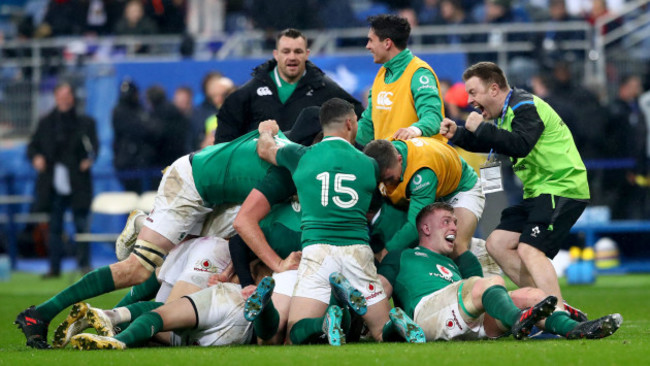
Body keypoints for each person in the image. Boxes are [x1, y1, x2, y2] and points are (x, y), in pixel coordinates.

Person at [14, 126, 288, 349]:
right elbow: (245, 220)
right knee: (139, 272)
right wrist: (276, 266)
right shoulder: (293, 161)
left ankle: (112, 310)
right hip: (193, 187)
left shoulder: (289, 152)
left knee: (174, 294)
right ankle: (40, 314)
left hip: (212, 196)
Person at [256, 98, 424, 346]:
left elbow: (265, 149)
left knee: (294, 335)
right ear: (349, 123)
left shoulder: (300, 155)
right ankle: (392, 324)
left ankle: (323, 323)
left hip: (317, 250)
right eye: (356, 121)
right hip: (357, 250)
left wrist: (267, 131)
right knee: (380, 332)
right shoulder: (369, 164)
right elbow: (386, 188)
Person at [439, 61, 590, 318]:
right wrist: (459, 134)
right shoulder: (507, 113)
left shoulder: (524, 105)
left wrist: (481, 128)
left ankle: (558, 314)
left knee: (530, 249)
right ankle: (546, 303)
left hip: (562, 187)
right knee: (496, 243)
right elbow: (495, 142)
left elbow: (520, 145)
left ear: (494, 89)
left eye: (474, 92)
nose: (470, 100)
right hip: (538, 193)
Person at [380, 203, 622, 341]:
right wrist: (380, 329)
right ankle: (519, 320)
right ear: (425, 227)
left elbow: (479, 289)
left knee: (535, 296)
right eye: (446, 221)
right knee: (490, 281)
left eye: (455, 222)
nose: (454, 226)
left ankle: (574, 330)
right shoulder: (401, 256)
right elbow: (380, 294)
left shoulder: (457, 262)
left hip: (465, 320)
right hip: (428, 313)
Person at [215, 28, 364, 143]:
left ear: (307, 54)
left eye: (298, 52)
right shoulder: (249, 92)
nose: (292, 57)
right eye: (286, 51)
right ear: (276, 54)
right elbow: (225, 136)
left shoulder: (325, 89)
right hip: (260, 174)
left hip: (305, 173)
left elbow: (359, 119)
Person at [363, 138, 485, 273]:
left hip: (461, 189)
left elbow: (416, 225)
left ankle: (481, 290)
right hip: (435, 190)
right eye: (381, 180)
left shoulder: (422, 172)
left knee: (453, 244)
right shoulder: (387, 151)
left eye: (389, 179)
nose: (386, 184)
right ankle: (473, 247)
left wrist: (387, 252)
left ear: (399, 159)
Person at [26, 81, 99, 278]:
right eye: (61, 95)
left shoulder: (85, 122)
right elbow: (32, 147)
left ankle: (84, 265)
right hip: (53, 183)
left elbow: (94, 149)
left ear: (72, 97)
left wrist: (88, 160)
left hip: (77, 182)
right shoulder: (46, 123)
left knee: (81, 225)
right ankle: (54, 267)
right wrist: (36, 157)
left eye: (68, 95)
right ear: (56, 97)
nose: (65, 99)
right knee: (54, 228)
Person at [356, 14, 446, 146]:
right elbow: (368, 125)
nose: (367, 46)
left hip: (420, 162)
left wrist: (414, 130)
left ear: (387, 43)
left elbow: (433, 117)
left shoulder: (419, 73)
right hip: (389, 162)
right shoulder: (382, 74)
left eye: (371, 40)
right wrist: (341, 140)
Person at [112, 78, 158, 193]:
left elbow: (151, 129)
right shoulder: (119, 111)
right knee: (132, 196)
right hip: (127, 163)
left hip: (144, 162)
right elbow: (139, 129)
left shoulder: (141, 109)